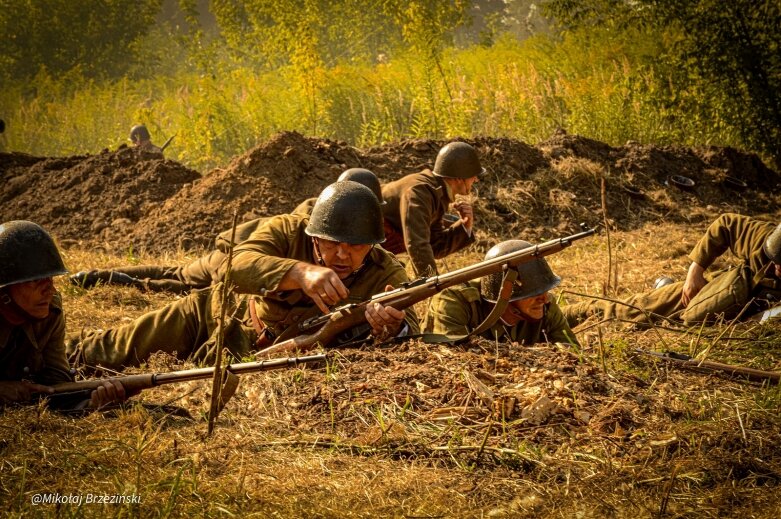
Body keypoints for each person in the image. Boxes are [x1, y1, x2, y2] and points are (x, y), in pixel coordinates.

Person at [66, 181, 418, 371]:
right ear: (314, 236)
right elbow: (231, 266)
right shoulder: (286, 230)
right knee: (108, 352)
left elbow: (412, 326)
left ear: (372, 244)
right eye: (332, 244)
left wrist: (390, 326)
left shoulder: (386, 270)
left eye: (356, 246)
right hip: (218, 317)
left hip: (274, 356)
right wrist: (298, 271)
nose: (343, 255)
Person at [69, 168, 385, 294]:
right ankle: (119, 280)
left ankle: (109, 276)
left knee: (178, 272)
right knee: (184, 284)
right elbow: (249, 262)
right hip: (237, 255)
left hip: (245, 256)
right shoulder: (311, 218)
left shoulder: (338, 217)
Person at [563, 213, 781, 327]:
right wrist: (695, 271)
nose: (778, 267)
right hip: (712, 293)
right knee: (632, 310)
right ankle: (561, 315)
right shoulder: (766, 239)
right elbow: (725, 225)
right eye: (777, 260)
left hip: (732, 322)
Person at [0, 220, 127, 409]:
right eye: (35, 281)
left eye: (50, 278)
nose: (50, 290)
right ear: (4, 291)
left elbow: (55, 383)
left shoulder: (50, 310)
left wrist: (91, 403)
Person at [422, 240, 579, 346]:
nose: (544, 299)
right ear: (506, 292)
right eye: (534, 292)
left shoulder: (545, 306)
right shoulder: (455, 301)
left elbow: (573, 355)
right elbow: (455, 359)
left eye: (545, 289)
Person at [382, 141, 484, 277]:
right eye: (473, 175)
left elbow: (434, 246)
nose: (476, 179)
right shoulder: (420, 192)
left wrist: (465, 225)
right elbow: (417, 244)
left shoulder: (435, 193)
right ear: (459, 177)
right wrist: (432, 285)